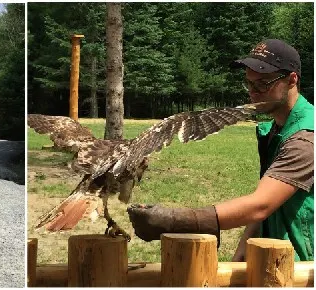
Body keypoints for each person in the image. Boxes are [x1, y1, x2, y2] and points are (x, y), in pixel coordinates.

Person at [127, 39, 313, 261]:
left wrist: (178, 220)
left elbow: (261, 205)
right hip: (274, 261)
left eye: (263, 84)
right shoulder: (276, 130)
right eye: (249, 84)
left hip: (304, 269)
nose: (253, 93)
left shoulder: (305, 138)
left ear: (292, 80)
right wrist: (239, 258)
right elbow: (267, 206)